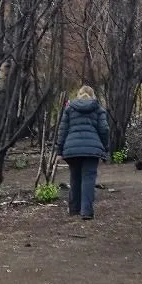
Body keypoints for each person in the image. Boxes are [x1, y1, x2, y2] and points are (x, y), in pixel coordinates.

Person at [55, 85, 110, 220]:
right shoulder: (98, 108)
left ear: (78, 94)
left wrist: (59, 151)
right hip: (91, 149)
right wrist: (104, 147)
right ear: (92, 95)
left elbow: (63, 130)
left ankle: (74, 209)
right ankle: (86, 211)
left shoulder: (69, 108)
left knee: (75, 177)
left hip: (72, 149)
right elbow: (104, 129)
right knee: (88, 179)